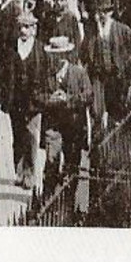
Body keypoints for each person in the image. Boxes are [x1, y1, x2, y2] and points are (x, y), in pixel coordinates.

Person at [0, 10, 49, 191]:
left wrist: (45, 97)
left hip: (34, 101)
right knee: (17, 136)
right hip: (14, 100)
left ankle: (30, 173)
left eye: (27, 27)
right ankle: (19, 171)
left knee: (32, 136)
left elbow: (47, 76)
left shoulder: (40, 50)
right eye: (21, 27)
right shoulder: (10, 49)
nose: (23, 31)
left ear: (34, 29)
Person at [38, 34, 93, 199]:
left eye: (61, 54)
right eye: (55, 55)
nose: (58, 58)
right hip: (53, 127)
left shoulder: (79, 73)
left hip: (73, 128)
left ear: (67, 54)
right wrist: (50, 99)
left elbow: (89, 95)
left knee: (71, 165)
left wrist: (69, 100)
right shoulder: (44, 73)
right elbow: (35, 95)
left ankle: (68, 200)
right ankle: (48, 200)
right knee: (51, 163)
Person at [81, 0, 131, 130]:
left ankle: (114, 138)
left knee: (116, 110)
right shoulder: (92, 31)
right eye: (99, 11)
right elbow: (84, 52)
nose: (100, 14)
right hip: (98, 76)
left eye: (104, 11)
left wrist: (127, 63)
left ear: (109, 12)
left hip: (115, 76)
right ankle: (100, 137)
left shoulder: (119, 28)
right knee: (97, 111)